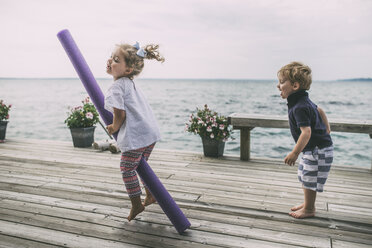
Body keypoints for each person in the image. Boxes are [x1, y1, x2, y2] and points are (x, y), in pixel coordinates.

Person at [104, 41, 164, 221]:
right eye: (111, 57)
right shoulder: (129, 83)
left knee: (126, 168)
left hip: (137, 135)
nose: (110, 61)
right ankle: (150, 193)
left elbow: (120, 114)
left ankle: (136, 204)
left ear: (128, 70)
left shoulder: (116, 87)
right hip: (149, 134)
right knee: (139, 165)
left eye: (116, 60)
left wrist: (113, 127)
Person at [277, 62, 333, 219]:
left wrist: (295, 152)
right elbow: (319, 109)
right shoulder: (301, 101)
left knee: (309, 177)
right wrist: (326, 128)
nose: (278, 86)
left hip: (317, 150)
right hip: (316, 149)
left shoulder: (300, 106)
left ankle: (309, 209)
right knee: (304, 175)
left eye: (282, 82)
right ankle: (308, 203)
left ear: (295, 85)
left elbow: (306, 132)